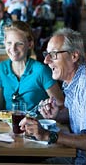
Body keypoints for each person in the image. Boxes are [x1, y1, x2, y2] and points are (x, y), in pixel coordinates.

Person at [20, 28, 86, 164]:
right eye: (46, 54)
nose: (46, 60)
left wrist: (47, 135)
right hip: (75, 155)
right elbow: (80, 116)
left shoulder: (84, 83)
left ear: (74, 56)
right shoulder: (71, 82)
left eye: (53, 54)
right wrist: (58, 115)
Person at [0, 21, 64, 112]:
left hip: (37, 123)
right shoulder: (0, 68)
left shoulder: (41, 70)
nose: (13, 48)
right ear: (4, 43)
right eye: (9, 43)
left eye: (19, 43)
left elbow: (61, 105)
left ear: (30, 44)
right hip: (9, 124)